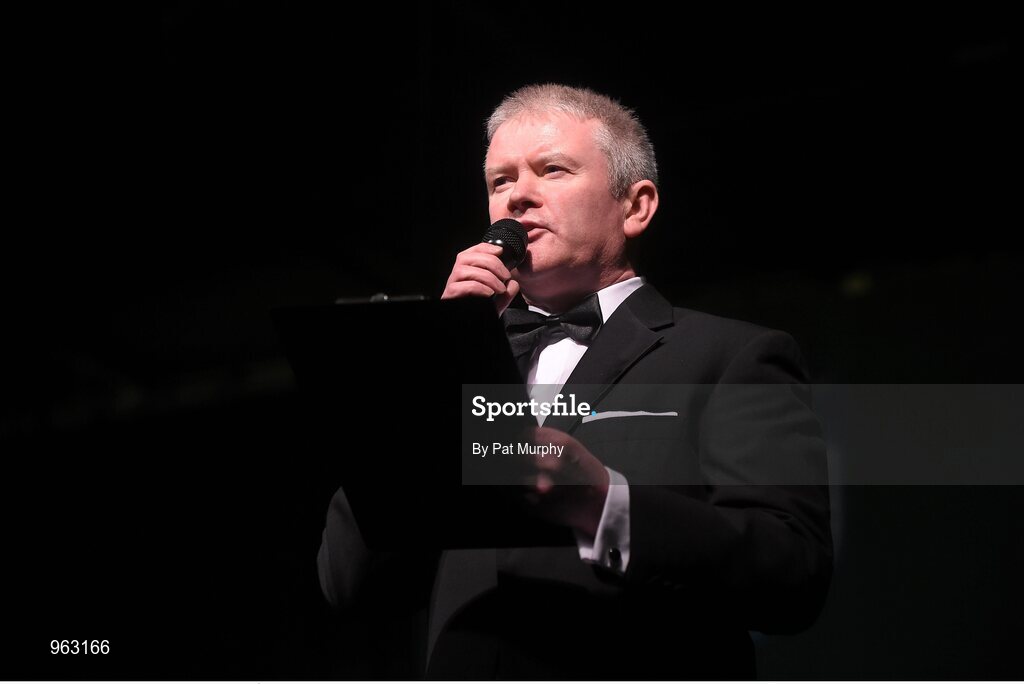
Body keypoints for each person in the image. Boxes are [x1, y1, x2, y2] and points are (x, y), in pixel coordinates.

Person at [318, 83, 832, 679]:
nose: (517, 198)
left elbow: (793, 574)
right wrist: (436, 359)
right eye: (500, 181)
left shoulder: (731, 356)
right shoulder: (457, 374)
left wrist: (606, 505)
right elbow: (350, 582)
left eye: (552, 170)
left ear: (635, 206)